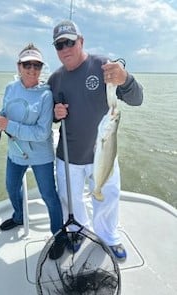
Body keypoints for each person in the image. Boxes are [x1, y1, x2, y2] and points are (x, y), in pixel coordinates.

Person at [48, 20, 143, 261]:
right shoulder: (55, 78)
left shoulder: (103, 66)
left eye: (70, 42)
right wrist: (54, 113)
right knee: (70, 199)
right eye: (59, 45)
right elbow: (47, 115)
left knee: (108, 196)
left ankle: (109, 236)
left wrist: (126, 79)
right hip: (68, 155)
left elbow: (137, 99)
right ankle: (78, 230)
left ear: (81, 41)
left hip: (105, 153)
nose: (65, 48)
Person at [0, 43, 64, 235]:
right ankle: (19, 216)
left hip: (40, 156)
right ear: (19, 66)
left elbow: (41, 133)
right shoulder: (10, 88)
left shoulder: (46, 94)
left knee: (49, 196)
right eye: (27, 65)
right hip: (15, 152)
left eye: (37, 65)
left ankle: (58, 234)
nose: (32, 69)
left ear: (42, 68)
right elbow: (4, 116)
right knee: (11, 187)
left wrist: (7, 124)